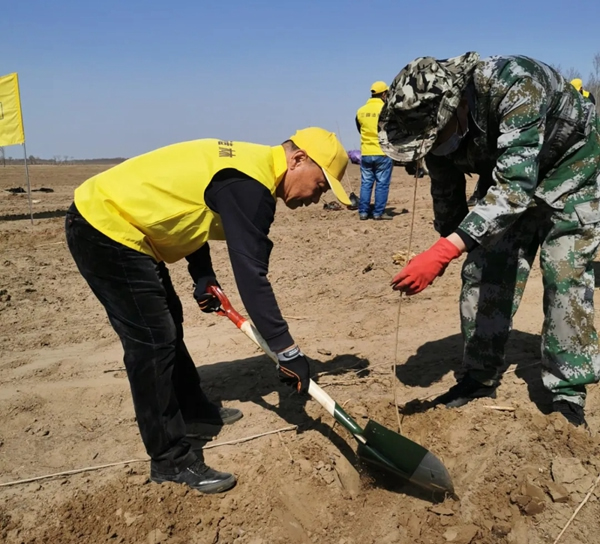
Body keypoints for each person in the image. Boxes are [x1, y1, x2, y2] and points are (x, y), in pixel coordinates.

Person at [65, 128, 350, 493]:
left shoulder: (247, 168)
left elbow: (189, 207)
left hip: (125, 228)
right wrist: (287, 350)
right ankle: (170, 460)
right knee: (152, 342)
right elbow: (252, 276)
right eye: (321, 184)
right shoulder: (250, 186)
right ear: (298, 159)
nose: (317, 197)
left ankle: (193, 410)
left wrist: (202, 274)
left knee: (168, 322)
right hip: (103, 226)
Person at [379, 53, 600, 427]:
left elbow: (515, 190)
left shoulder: (516, 82)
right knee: (483, 271)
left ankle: (568, 391)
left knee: (565, 276)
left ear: (459, 106)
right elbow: (447, 197)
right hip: (507, 178)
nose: (434, 149)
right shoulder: (438, 133)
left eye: (435, 139)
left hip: (571, 172)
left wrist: (445, 249)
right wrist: (447, 248)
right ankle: (478, 377)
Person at [356, 81, 394, 220]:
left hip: (366, 153)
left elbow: (360, 129)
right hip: (383, 152)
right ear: (384, 94)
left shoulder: (360, 111)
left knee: (366, 183)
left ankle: (363, 212)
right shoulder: (387, 110)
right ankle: (378, 213)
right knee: (382, 184)